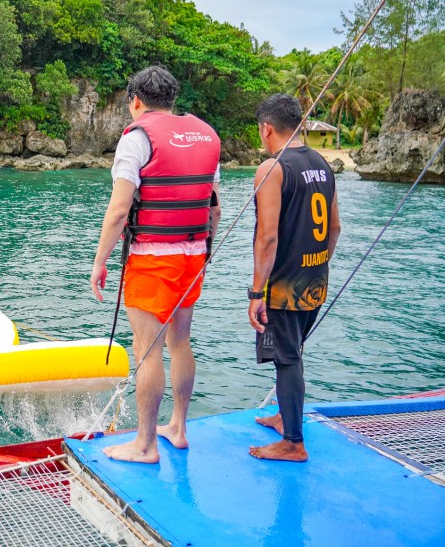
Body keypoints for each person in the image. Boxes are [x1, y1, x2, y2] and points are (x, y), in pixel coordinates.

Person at [89, 65, 221, 464]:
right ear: (173, 99)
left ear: (135, 101)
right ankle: (178, 428)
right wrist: (205, 250)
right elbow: (213, 205)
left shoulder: (137, 137)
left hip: (152, 257)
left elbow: (118, 210)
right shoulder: (206, 135)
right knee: (180, 342)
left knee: (147, 350)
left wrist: (99, 262)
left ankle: (145, 445)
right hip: (194, 252)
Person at [248, 94, 340, 462]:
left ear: (267, 127)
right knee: (293, 350)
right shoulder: (323, 164)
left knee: (286, 358)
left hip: (284, 285)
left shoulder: (272, 168)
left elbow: (267, 237)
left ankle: (293, 442)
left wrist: (257, 291)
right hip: (316, 278)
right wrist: (316, 265)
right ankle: (285, 415)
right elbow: (334, 228)